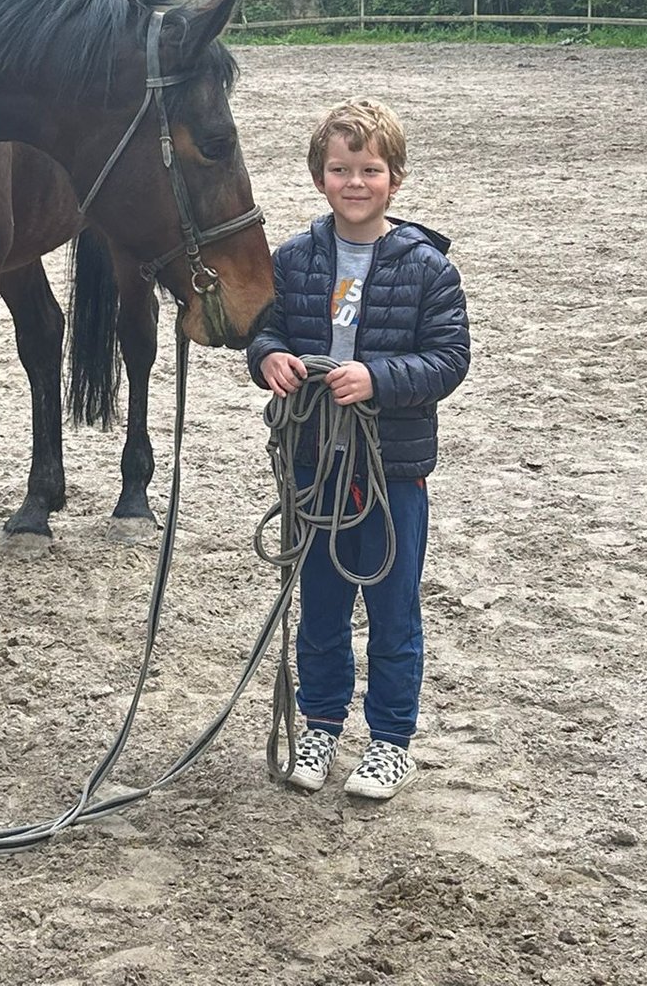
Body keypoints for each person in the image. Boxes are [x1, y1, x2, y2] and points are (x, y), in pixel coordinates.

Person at [246, 98, 470, 800]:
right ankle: (320, 725)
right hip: (315, 463)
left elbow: (449, 359)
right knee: (321, 602)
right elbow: (267, 329)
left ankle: (391, 741)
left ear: (394, 178)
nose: (355, 182)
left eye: (370, 169)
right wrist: (269, 357)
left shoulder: (428, 268)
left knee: (393, 608)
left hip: (391, 466)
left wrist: (377, 378)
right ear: (320, 177)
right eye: (341, 169)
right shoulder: (294, 259)